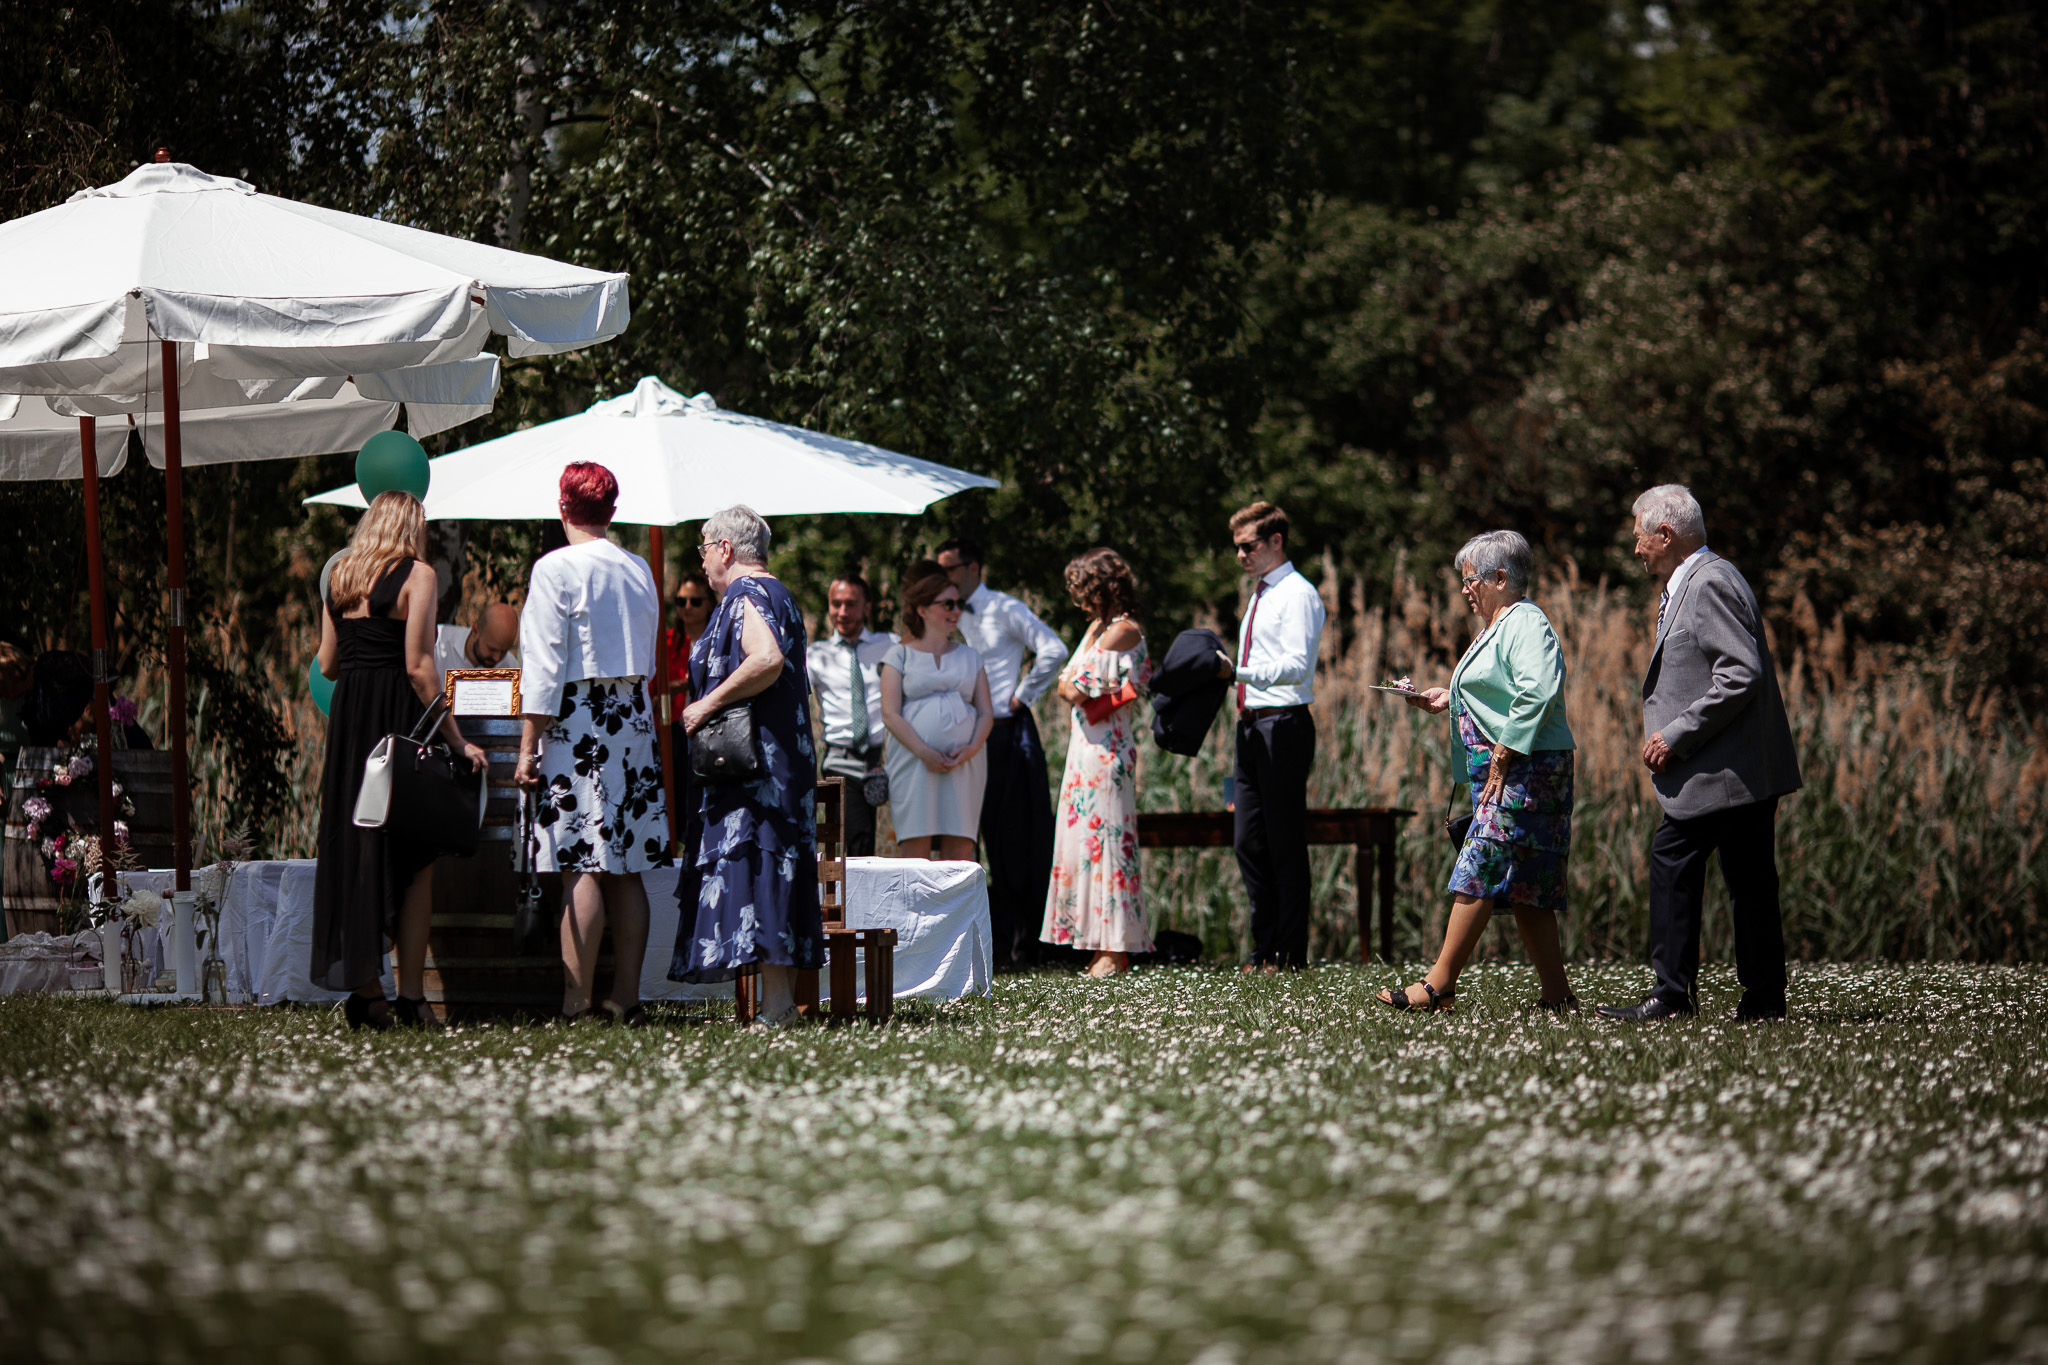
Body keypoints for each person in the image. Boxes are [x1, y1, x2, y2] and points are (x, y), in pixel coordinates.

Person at [1599, 485, 1802, 1022]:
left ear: (1665, 534)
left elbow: (1740, 675)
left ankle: (1671, 996)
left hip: (1721, 770)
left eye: (1639, 534)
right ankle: (1763, 1001)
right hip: (1743, 767)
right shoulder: (1708, 576)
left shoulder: (1707, 582)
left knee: (1674, 861)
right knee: (1750, 880)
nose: (1636, 547)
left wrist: (1676, 735)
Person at [1383, 531, 1579, 1013]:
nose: (1465, 589)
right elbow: (1502, 688)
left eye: (1470, 579)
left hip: (1525, 771)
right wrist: (1446, 697)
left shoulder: (1525, 621)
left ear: (1499, 577)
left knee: (1479, 867)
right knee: (1528, 885)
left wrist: (1502, 752)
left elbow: (1537, 690)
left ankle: (1438, 983)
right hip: (1512, 771)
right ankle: (1557, 998)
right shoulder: (1498, 625)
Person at [312, 491, 488, 1029]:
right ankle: (412, 997)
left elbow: (326, 663)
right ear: (412, 528)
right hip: (395, 721)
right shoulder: (418, 575)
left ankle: (367, 996)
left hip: (350, 724)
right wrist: (456, 740)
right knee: (414, 860)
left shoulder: (338, 575)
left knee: (356, 851)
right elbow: (418, 667)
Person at [513, 463, 670, 1025]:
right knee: (626, 869)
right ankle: (626, 999)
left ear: (563, 507)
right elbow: (650, 660)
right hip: (631, 717)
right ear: (612, 509)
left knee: (582, 862)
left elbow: (543, 664)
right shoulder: (639, 569)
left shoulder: (555, 568)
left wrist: (529, 743)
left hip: (577, 721)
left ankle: (576, 1004)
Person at [669, 504, 825, 1026]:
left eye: (704, 549)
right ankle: (777, 1005)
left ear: (725, 550)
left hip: (756, 765)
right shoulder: (778, 593)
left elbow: (767, 659)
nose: (704, 562)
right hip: (775, 758)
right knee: (768, 868)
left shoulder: (746, 594)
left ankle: (779, 1007)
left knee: (762, 866)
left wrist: (707, 703)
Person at [937, 536, 1068, 966]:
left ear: (974, 568)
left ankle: (1021, 946)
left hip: (1006, 732)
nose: (946, 577)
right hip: (963, 733)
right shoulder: (945, 614)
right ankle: (978, 942)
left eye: (951, 568)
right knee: (972, 833)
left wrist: (1021, 696)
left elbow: (1053, 648)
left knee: (1012, 836)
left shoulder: (1005, 608)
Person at [1214, 501, 1326, 971]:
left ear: (1276, 541)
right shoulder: (1260, 594)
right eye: (1236, 547)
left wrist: (1235, 671)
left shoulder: (1297, 593)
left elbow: (1298, 664)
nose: (1240, 555)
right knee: (1248, 842)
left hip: (1284, 724)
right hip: (1252, 726)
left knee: (1283, 842)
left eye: (1249, 546)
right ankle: (1263, 949)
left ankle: (1288, 953)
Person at [1041, 549, 1154, 977]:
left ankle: (1116, 948)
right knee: (1084, 845)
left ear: (1100, 587)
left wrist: (1070, 684)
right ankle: (1096, 941)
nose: (1078, 599)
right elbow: (1068, 686)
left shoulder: (1122, 631)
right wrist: (1071, 684)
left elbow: (1073, 689)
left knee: (1109, 842)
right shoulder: (1097, 629)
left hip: (1108, 751)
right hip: (1084, 748)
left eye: (1082, 589)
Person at [880, 562, 994, 862]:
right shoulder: (898, 655)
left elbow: (985, 713)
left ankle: (955, 911)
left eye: (959, 604)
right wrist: (924, 752)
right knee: (914, 851)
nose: (956, 610)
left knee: (960, 851)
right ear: (923, 609)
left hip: (965, 765)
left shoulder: (971, 656)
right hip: (914, 763)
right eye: (947, 604)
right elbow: (890, 714)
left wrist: (971, 749)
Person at [809, 571, 893, 857]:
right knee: (853, 847)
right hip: (840, 762)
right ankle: (849, 902)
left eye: (851, 604)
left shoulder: (890, 646)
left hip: (885, 759)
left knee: (890, 844)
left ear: (867, 606)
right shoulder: (815, 656)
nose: (842, 612)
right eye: (836, 603)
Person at [434, 603, 521, 688]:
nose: (497, 658)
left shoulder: (510, 665)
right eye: (492, 649)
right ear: (475, 631)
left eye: (504, 651)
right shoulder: (437, 646)